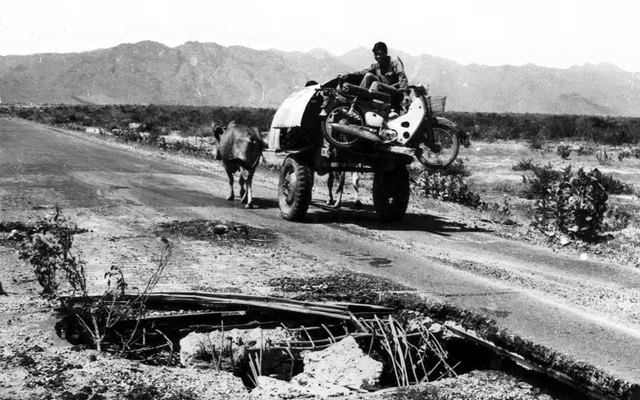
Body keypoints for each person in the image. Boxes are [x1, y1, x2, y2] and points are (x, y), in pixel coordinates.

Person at [342, 41, 408, 105]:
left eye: (380, 54)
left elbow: (403, 78)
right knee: (368, 76)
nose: (378, 57)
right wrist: (348, 74)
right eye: (376, 54)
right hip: (383, 91)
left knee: (376, 84)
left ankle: (371, 105)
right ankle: (358, 99)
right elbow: (362, 72)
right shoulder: (376, 65)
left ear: (386, 53)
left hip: (395, 93)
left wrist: (405, 95)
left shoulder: (394, 62)